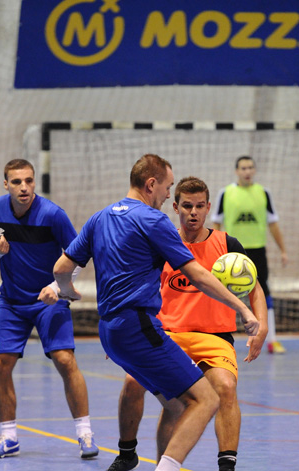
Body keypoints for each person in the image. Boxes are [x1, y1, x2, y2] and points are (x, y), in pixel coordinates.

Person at [48, 154, 260, 471]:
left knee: (174, 404)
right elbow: (197, 275)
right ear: (151, 184)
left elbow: (61, 268)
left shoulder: (100, 217)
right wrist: (242, 307)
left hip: (109, 331)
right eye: (167, 187)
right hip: (139, 326)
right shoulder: (153, 220)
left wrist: (65, 290)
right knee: (206, 399)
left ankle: (135, 456)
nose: (167, 194)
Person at [107, 176, 268, 471]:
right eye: (187, 206)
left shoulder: (227, 245)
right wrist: (124, 331)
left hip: (214, 337)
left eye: (199, 206)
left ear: (208, 207)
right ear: (175, 207)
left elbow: (254, 287)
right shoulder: (160, 242)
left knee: (226, 387)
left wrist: (262, 327)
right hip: (167, 335)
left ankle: (226, 465)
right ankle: (128, 453)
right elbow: (134, 287)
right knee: (133, 383)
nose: (193, 212)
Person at [0, 159, 99, 459]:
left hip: (50, 301)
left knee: (64, 360)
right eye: (17, 182)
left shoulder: (53, 214)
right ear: (5, 184)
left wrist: (57, 288)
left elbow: (79, 256)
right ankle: (9, 438)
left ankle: (85, 434)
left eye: (29, 181)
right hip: (12, 302)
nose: (24, 187)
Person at [212, 155, 288, 354]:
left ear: (254, 170)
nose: (247, 171)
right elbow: (216, 223)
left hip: (257, 250)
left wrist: (283, 250)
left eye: (250, 167)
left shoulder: (264, 193)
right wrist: (214, 250)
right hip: (232, 251)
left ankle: (272, 340)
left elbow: (273, 224)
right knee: (222, 292)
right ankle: (219, 337)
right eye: (243, 168)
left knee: (264, 292)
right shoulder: (225, 193)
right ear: (236, 171)